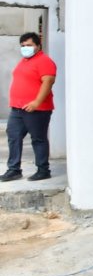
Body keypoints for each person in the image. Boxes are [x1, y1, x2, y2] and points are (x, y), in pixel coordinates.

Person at [1, 33, 57, 182]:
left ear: (38, 46)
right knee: (13, 137)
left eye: (29, 45)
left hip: (37, 109)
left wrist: (36, 102)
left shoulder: (44, 61)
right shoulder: (24, 61)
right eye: (23, 46)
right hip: (18, 109)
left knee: (38, 139)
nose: (25, 48)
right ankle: (14, 170)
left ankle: (43, 170)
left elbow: (48, 81)